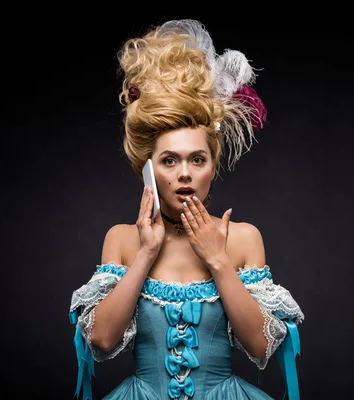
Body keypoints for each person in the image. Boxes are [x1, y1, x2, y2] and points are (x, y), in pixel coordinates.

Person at [68, 19, 304, 400]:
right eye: (169, 161)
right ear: (148, 168)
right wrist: (146, 252)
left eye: (197, 159)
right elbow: (101, 342)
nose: (184, 175)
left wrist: (218, 260)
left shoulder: (242, 238)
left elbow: (262, 348)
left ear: (213, 166)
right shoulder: (123, 239)